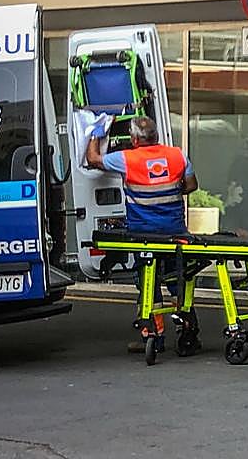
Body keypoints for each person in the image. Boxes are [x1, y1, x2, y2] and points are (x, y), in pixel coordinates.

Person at [86, 115, 197, 354]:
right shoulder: (177, 155)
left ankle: (154, 336)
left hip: (144, 234)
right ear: (156, 136)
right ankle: (188, 331)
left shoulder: (126, 159)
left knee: (149, 283)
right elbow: (191, 186)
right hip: (175, 232)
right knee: (178, 281)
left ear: (134, 140)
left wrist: (95, 132)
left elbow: (93, 159)